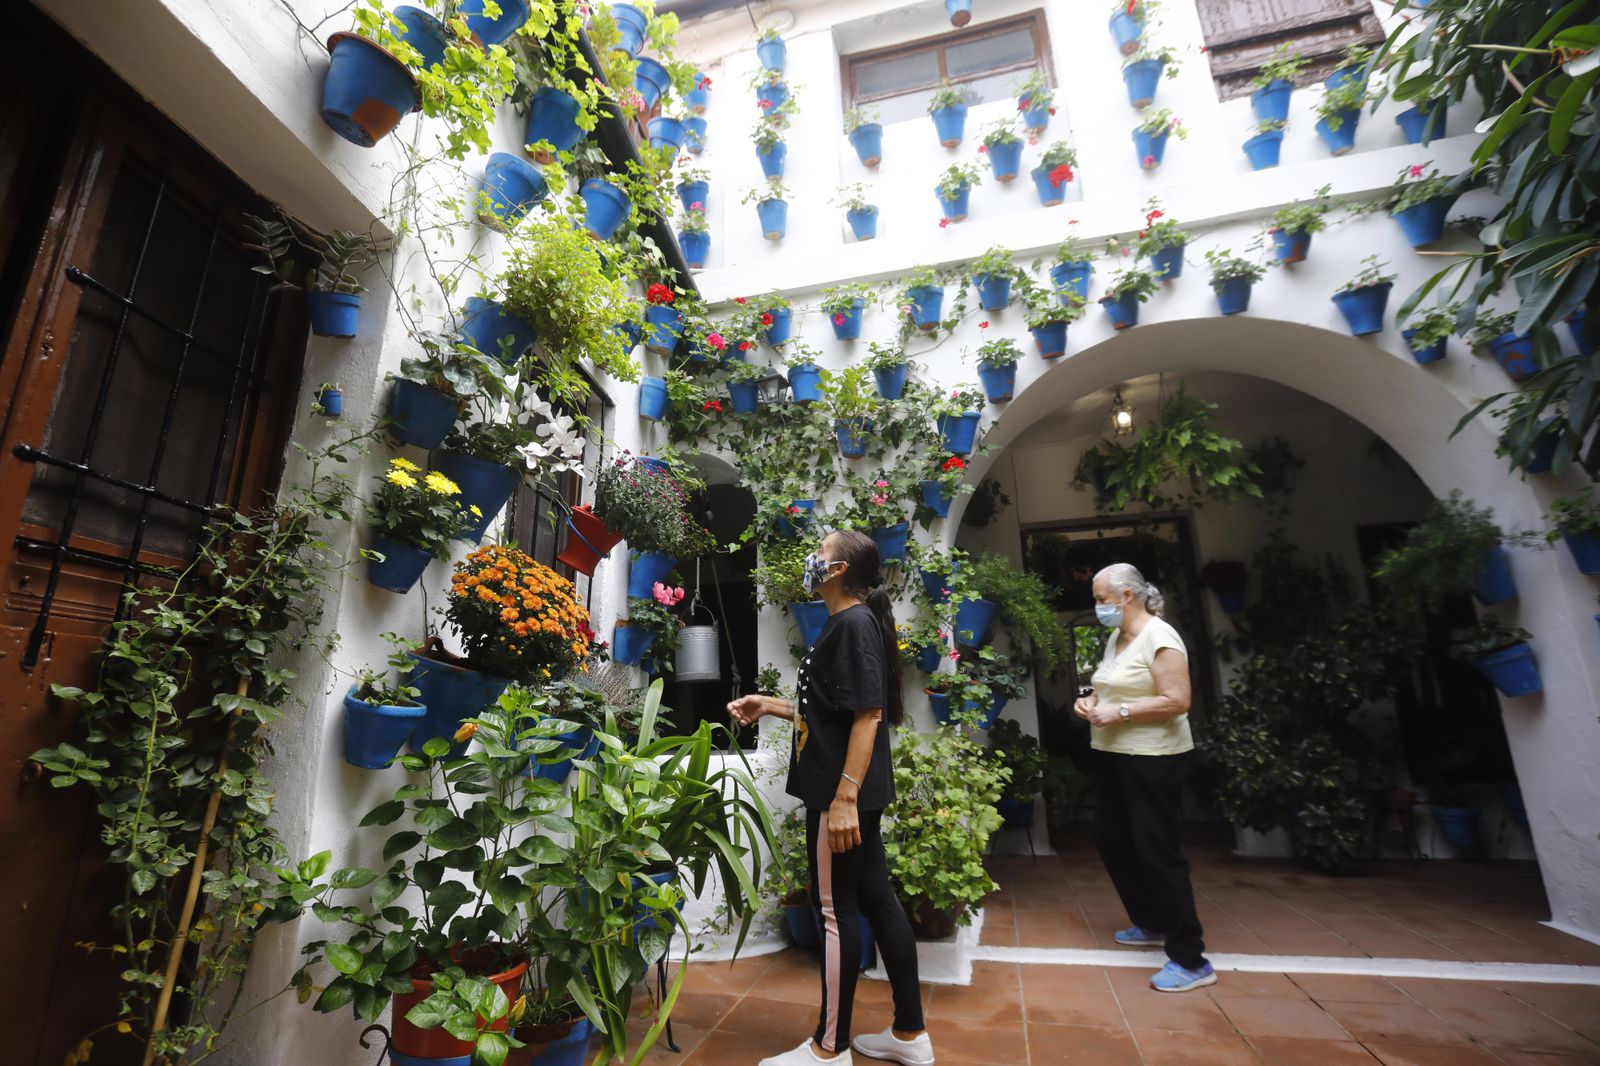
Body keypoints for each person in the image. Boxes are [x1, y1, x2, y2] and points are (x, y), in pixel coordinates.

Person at [729, 530, 934, 1066]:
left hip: (840, 793)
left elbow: (869, 715)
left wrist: (844, 799)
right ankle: (910, 1034)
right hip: (848, 788)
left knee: (835, 912)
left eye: (818, 551)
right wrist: (770, 704)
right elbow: (831, 712)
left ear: (839, 569)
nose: (810, 558)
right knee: (877, 899)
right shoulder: (845, 623)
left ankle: (829, 1047)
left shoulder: (853, 624)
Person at [1074, 562, 1215, 992]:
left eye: (1101, 599)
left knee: (1158, 850)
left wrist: (1119, 712)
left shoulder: (1160, 637)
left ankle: (1191, 958)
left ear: (1127, 596)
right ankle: (1152, 921)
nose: (1098, 607)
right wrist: (1090, 700)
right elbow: (1114, 686)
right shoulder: (1117, 638)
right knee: (1111, 838)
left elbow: (1178, 700)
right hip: (1114, 754)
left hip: (1154, 757)